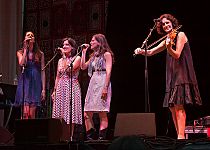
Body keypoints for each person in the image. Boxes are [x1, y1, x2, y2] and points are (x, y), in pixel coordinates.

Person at [134, 14, 202, 139]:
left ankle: (181, 138)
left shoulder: (180, 35)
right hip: (171, 75)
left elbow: (176, 55)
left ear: (172, 23)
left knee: (178, 105)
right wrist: (141, 51)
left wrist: (169, 46)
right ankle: (179, 136)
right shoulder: (168, 38)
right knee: (172, 108)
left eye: (167, 23)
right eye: (163, 24)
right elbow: (151, 51)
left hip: (181, 74)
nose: (165, 25)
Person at [81, 33, 114, 140]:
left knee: (102, 111)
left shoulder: (107, 54)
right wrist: (84, 52)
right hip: (93, 83)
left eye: (93, 40)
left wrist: (105, 87)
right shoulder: (93, 56)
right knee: (87, 112)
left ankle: (101, 138)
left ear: (99, 42)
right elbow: (83, 67)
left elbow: (109, 71)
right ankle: (90, 137)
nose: (91, 42)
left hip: (102, 82)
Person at [51, 37, 83, 140]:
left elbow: (68, 70)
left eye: (67, 45)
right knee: (59, 113)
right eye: (63, 44)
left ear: (73, 47)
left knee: (70, 113)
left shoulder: (77, 58)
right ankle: (59, 137)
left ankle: (69, 137)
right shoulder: (60, 60)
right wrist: (55, 91)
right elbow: (57, 76)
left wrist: (64, 56)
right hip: (61, 87)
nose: (64, 46)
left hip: (71, 87)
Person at [15, 31, 46, 119]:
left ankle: (31, 132)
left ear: (34, 39)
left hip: (36, 82)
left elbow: (43, 71)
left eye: (32, 35)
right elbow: (21, 63)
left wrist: (43, 89)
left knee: (32, 114)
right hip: (25, 81)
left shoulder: (40, 54)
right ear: (25, 39)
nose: (30, 36)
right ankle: (23, 131)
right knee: (25, 113)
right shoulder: (20, 52)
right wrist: (25, 49)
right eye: (28, 35)